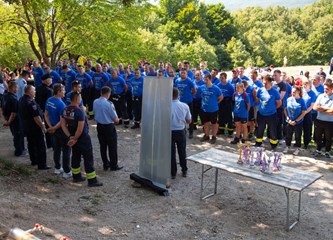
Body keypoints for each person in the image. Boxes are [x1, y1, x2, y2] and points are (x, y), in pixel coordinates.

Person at [61, 91, 103, 187]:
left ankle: (76, 176)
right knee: (88, 158)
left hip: (72, 136)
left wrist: (70, 136)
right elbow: (80, 129)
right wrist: (75, 138)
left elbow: (63, 124)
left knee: (75, 156)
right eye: (80, 98)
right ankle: (92, 180)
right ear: (77, 99)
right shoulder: (79, 111)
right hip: (82, 138)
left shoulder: (65, 109)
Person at [19, 85, 50, 169]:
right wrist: (43, 127)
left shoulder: (22, 99)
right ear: (29, 91)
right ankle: (42, 164)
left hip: (27, 127)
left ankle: (34, 160)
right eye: (34, 90)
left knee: (31, 144)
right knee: (40, 146)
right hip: (34, 127)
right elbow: (36, 117)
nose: (35, 92)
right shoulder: (30, 102)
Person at [45, 83, 72, 179]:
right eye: (63, 90)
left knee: (56, 148)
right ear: (59, 92)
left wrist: (50, 127)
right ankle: (67, 171)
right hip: (60, 129)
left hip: (53, 128)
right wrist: (53, 128)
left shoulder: (49, 100)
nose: (65, 92)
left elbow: (46, 114)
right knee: (66, 150)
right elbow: (62, 121)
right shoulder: (61, 104)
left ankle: (57, 168)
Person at [93, 86, 122, 171]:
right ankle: (113, 165)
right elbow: (115, 119)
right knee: (112, 146)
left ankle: (105, 164)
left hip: (99, 126)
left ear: (101, 93)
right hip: (108, 126)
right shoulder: (109, 104)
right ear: (108, 94)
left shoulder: (95, 101)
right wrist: (118, 119)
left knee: (103, 146)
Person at [255, 75, 281, 150]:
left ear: (270, 82)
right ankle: (258, 143)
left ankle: (273, 145)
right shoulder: (260, 90)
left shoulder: (274, 92)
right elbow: (257, 99)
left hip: (271, 115)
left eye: (265, 83)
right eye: (263, 83)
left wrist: (272, 108)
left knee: (272, 130)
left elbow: (279, 103)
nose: (264, 84)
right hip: (261, 114)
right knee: (260, 129)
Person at [1, 81, 26, 156]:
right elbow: (13, 113)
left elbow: (1, 109)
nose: (18, 89)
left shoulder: (4, 96)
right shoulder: (14, 98)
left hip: (8, 118)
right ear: (13, 88)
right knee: (18, 135)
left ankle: (21, 149)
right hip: (15, 120)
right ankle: (19, 151)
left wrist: (5, 120)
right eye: (17, 88)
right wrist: (8, 121)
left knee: (16, 134)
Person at [171, 88, 191, 179]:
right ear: (178, 95)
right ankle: (184, 170)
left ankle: (173, 172)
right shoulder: (185, 106)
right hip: (181, 130)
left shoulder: (166, 105)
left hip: (170, 131)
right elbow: (189, 121)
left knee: (171, 153)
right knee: (182, 151)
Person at [197, 74, 223, 144]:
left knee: (214, 123)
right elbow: (199, 94)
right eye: (204, 79)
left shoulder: (216, 88)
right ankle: (207, 135)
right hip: (204, 109)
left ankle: (214, 137)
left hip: (213, 110)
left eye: (207, 79)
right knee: (205, 123)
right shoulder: (202, 87)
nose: (205, 80)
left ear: (210, 79)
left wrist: (216, 103)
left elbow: (221, 97)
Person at [312, 80, 333, 158]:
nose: (325, 90)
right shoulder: (321, 96)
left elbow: (331, 111)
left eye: (327, 89)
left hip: (330, 122)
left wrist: (321, 108)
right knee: (318, 136)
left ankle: (327, 151)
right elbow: (315, 107)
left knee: (328, 138)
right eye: (324, 88)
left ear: (331, 89)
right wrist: (326, 108)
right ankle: (318, 150)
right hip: (319, 120)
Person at [283, 86, 306, 155]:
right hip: (289, 121)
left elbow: (303, 112)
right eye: (292, 92)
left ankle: (298, 148)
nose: (292, 93)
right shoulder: (289, 99)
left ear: (298, 92)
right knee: (288, 135)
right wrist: (287, 118)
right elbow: (285, 109)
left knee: (297, 135)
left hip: (298, 122)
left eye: (294, 92)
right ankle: (287, 146)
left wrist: (296, 121)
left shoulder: (302, 101)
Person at [173, 68, 196, 139]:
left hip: (188, 102)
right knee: (181, 117)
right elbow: (175, 89)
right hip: (180, 102)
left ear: (186, 74)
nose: (182, 74)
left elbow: (194, 90)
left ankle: (191, 132)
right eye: (181, 73)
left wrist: (189, 95)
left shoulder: (189, 81)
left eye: (184, 73)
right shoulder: (177, 80)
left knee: (190, 117)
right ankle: (183, 130)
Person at [35, 73, 54, 149]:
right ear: (47, 80)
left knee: (46, 126)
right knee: (50, 126)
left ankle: (49, 143)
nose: (52, 80)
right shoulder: (49, 90)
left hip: (41, 110)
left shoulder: (38, 88)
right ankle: (52, 143)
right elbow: (50, 103)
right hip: (47, 112)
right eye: (50, 78)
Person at [216, 72, 234, 137]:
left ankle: (230, 132)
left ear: (225, 78)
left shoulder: (230, 86)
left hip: (227, 102)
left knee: (229, 117)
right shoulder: (218, 85)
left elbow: (233, 96)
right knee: (220, 117)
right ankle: (221, 130)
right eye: (220, 77)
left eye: (222, 78)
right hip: (220, 102)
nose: (221, 79)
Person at [302, 78, 317, 149]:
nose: (304, 85)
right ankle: (297, 142)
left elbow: (312, 106)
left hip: (307, 113)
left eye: (306, 84)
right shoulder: (301, 92)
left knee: (307, 129)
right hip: (299, 113)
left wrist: (305, 112)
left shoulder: (313, 94)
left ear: (310, 85)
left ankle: (306, 143)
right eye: (304, 84)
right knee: (298, 128)